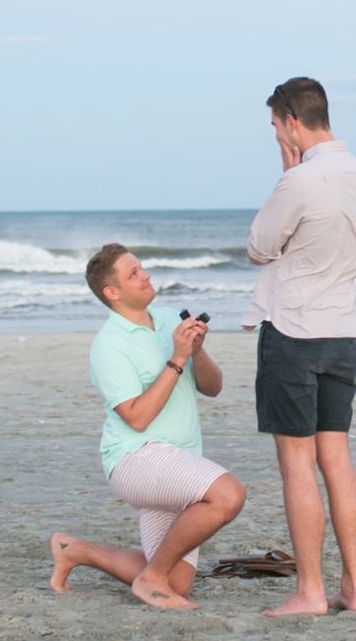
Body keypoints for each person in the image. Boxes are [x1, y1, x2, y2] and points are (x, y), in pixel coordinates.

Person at [243, 77, 356, 617]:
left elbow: (258, 249)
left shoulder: (299, 181)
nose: (276, 134)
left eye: (276, 126)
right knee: (337, 460)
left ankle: (310, 592)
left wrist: (287, 170)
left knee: (298, 465)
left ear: (292, 122)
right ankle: (355, 588)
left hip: (295, 331)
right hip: (342, 331)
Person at [49, 243, 245, 612]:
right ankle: (150, 580)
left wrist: (197, 351)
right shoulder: (109, 346)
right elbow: (137, 418)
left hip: (178, 461)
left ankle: (72, 549)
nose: (146, 276)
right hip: (136, 458)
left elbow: (213, 388)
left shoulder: (170, 318)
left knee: (180, 585)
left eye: (142, 268)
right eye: (134, 274)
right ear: (113, 292)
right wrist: (178, 358)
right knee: (228, 494)